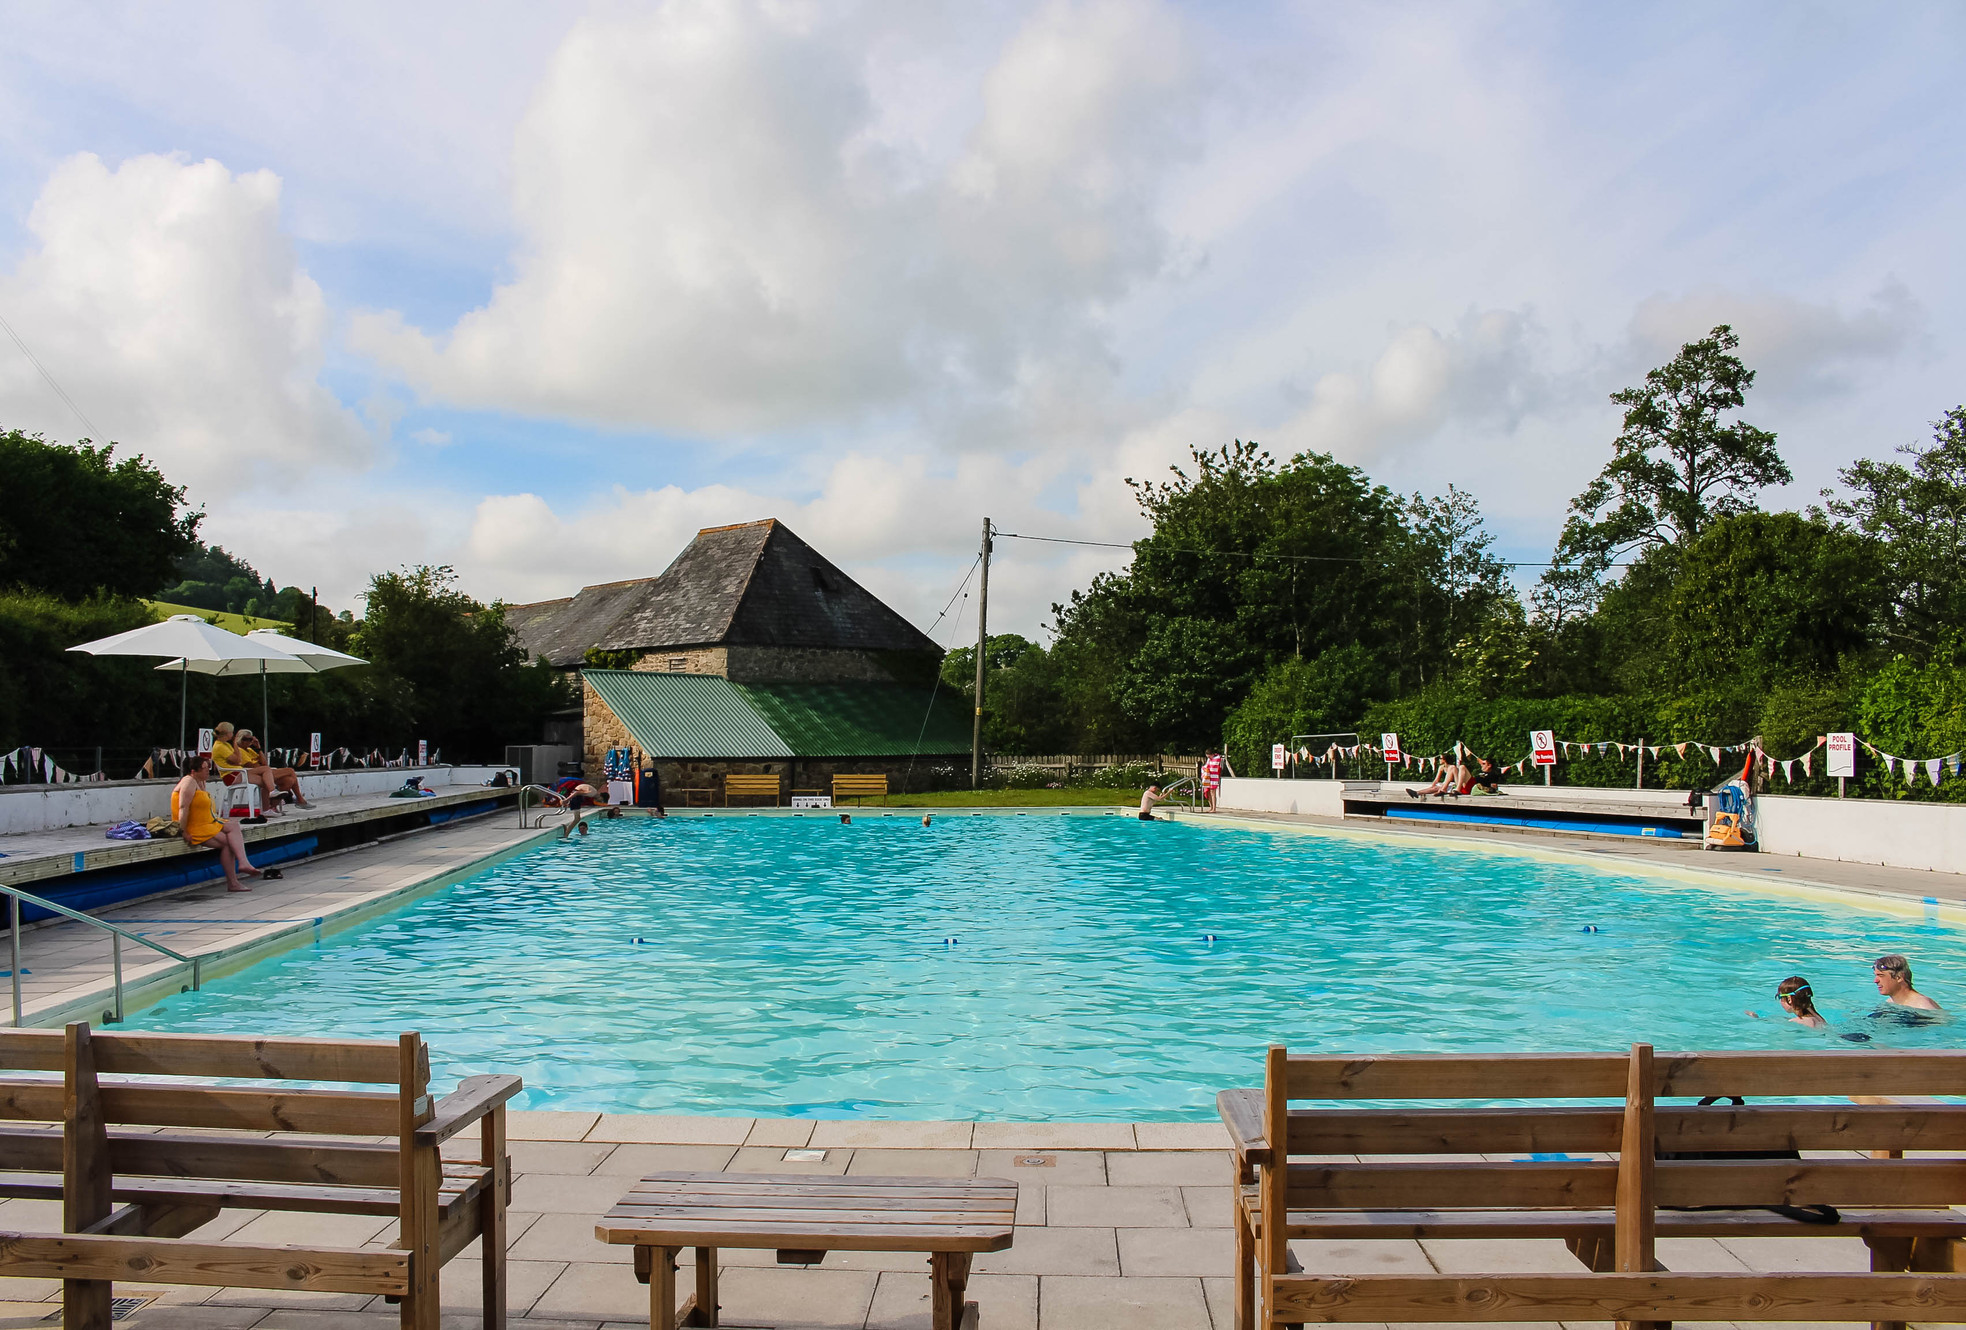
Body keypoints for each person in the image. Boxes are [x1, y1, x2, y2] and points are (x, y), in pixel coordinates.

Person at [171, 754, 271, 892]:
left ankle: (243, 862)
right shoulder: (188, 781)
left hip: (207, 823)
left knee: (233, 825)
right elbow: (183, 807)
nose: (208, 771)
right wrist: (183, 831)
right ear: (194, 771)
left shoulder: (200, 782)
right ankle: (233, 882)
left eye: (208, 767)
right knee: (227, 844)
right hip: (194, 827)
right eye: (205, 768)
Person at [209, 722, 284, 815]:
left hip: (238, 773)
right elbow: (237, 760)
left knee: (266, 781)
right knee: (265, 769)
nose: (233, 734)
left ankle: (266, 808)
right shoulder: (220, 746)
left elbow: (237, 760)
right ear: (228, 733)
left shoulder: (225, 745)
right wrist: (235, 744)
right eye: (232, 732)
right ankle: (272, 791)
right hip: (231, 775)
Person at [236, 729, 309, 808]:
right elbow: (252, 766)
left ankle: (272, 807)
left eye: (250, 739)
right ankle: (300, 799)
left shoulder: (250, 750)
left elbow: (264, 763)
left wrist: (258, 748)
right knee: (290, 770)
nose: (248, 741)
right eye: (245, 739)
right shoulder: (240, 751)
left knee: (289, 781)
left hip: (263, 772)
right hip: (255, 774)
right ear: (240, 739)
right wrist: (261, 766)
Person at [1751, 976, 1827, 1028]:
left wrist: (1756, 1020)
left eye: (1780, 997)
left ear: (1789, 999)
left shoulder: (1795, 1022)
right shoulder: (1820, 1020)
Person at [1873, 955, 1942, 1011]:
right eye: (1876, 975)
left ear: (1899, 977)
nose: (1875, 981)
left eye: (1881, 975)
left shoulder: (1923, 1006)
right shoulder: (1890, 1002)